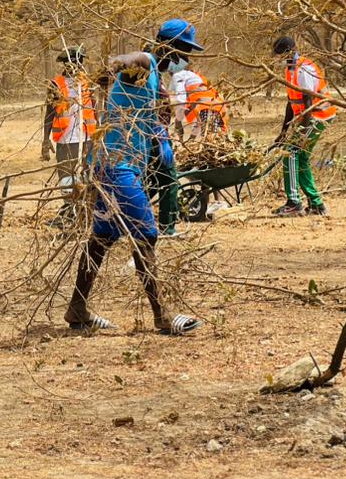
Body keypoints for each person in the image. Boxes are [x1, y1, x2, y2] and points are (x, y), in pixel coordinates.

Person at [64, 18, 202, 335]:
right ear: (169, 47)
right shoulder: (145, 62)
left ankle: (77, 307)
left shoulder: (154, 79)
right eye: (183, 51)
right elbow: (120, 62)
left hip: (116, 165)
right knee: (146, 234)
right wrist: (113, 72)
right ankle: (162, 316)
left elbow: (151, 111)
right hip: (117, 167)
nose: (185, 58)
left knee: (102, 238)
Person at [272, 36, 335, 216]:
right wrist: (284, 131)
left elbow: (308, 102)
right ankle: (316, 204)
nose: (277, 58)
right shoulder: (290, 68)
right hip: (308, 116)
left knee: (291, 153)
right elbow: (291, 103)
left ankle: (294, 203)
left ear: (288, 52)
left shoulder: (304, 69)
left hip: (318, 115)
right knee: (301, 158)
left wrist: (303, 131)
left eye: (279, 54)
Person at [41, 46, 97, 226]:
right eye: (74, 62)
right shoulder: (56, 84)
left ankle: (85, 213)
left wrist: (99, 136)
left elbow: (95, 108)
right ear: (66, 64)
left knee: (87, 176)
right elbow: (49, 113)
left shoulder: (87, 82)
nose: (78, 65)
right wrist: (45, 140)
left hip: (87, 137)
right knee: (66, 178)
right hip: (66, 138)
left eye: (80, 61)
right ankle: (69, 211)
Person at [169, 64, 229, 139]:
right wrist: (192, 138)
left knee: (210, 139)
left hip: (209, 108)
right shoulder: (199, 79)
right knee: (216, 139)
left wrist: (178, 121)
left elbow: (181, 100)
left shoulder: (179, 76)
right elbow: (198, 119)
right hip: (219, 109)